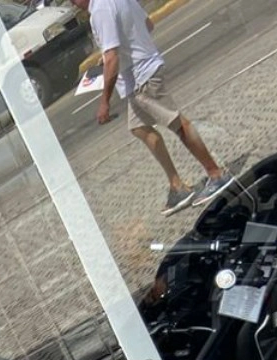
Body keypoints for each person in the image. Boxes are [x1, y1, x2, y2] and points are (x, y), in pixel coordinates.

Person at [79, 0, 229, 214]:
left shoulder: (100, 10)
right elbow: (148, 24)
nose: (73, 4)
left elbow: (111, 58)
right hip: (139, 75)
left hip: (142, 78)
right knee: (139, 128)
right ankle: (177, 186)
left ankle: (216, 174)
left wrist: (104, 101)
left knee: (177, 124)